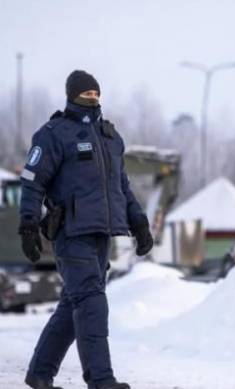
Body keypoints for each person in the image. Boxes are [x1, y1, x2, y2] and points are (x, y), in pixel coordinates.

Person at [19, 70, 153, 389]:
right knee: (92, 301)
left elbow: (121, 187)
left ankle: (39, 374)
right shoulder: (54, 134)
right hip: (71, 233)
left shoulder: (110, 137)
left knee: (73, 305)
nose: (91, 97)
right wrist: (27, 224)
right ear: (70, 95)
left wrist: (139, 222)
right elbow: (32, 183)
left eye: (95, 93)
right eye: (85, 93)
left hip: (101, 234)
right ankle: (101, 380)